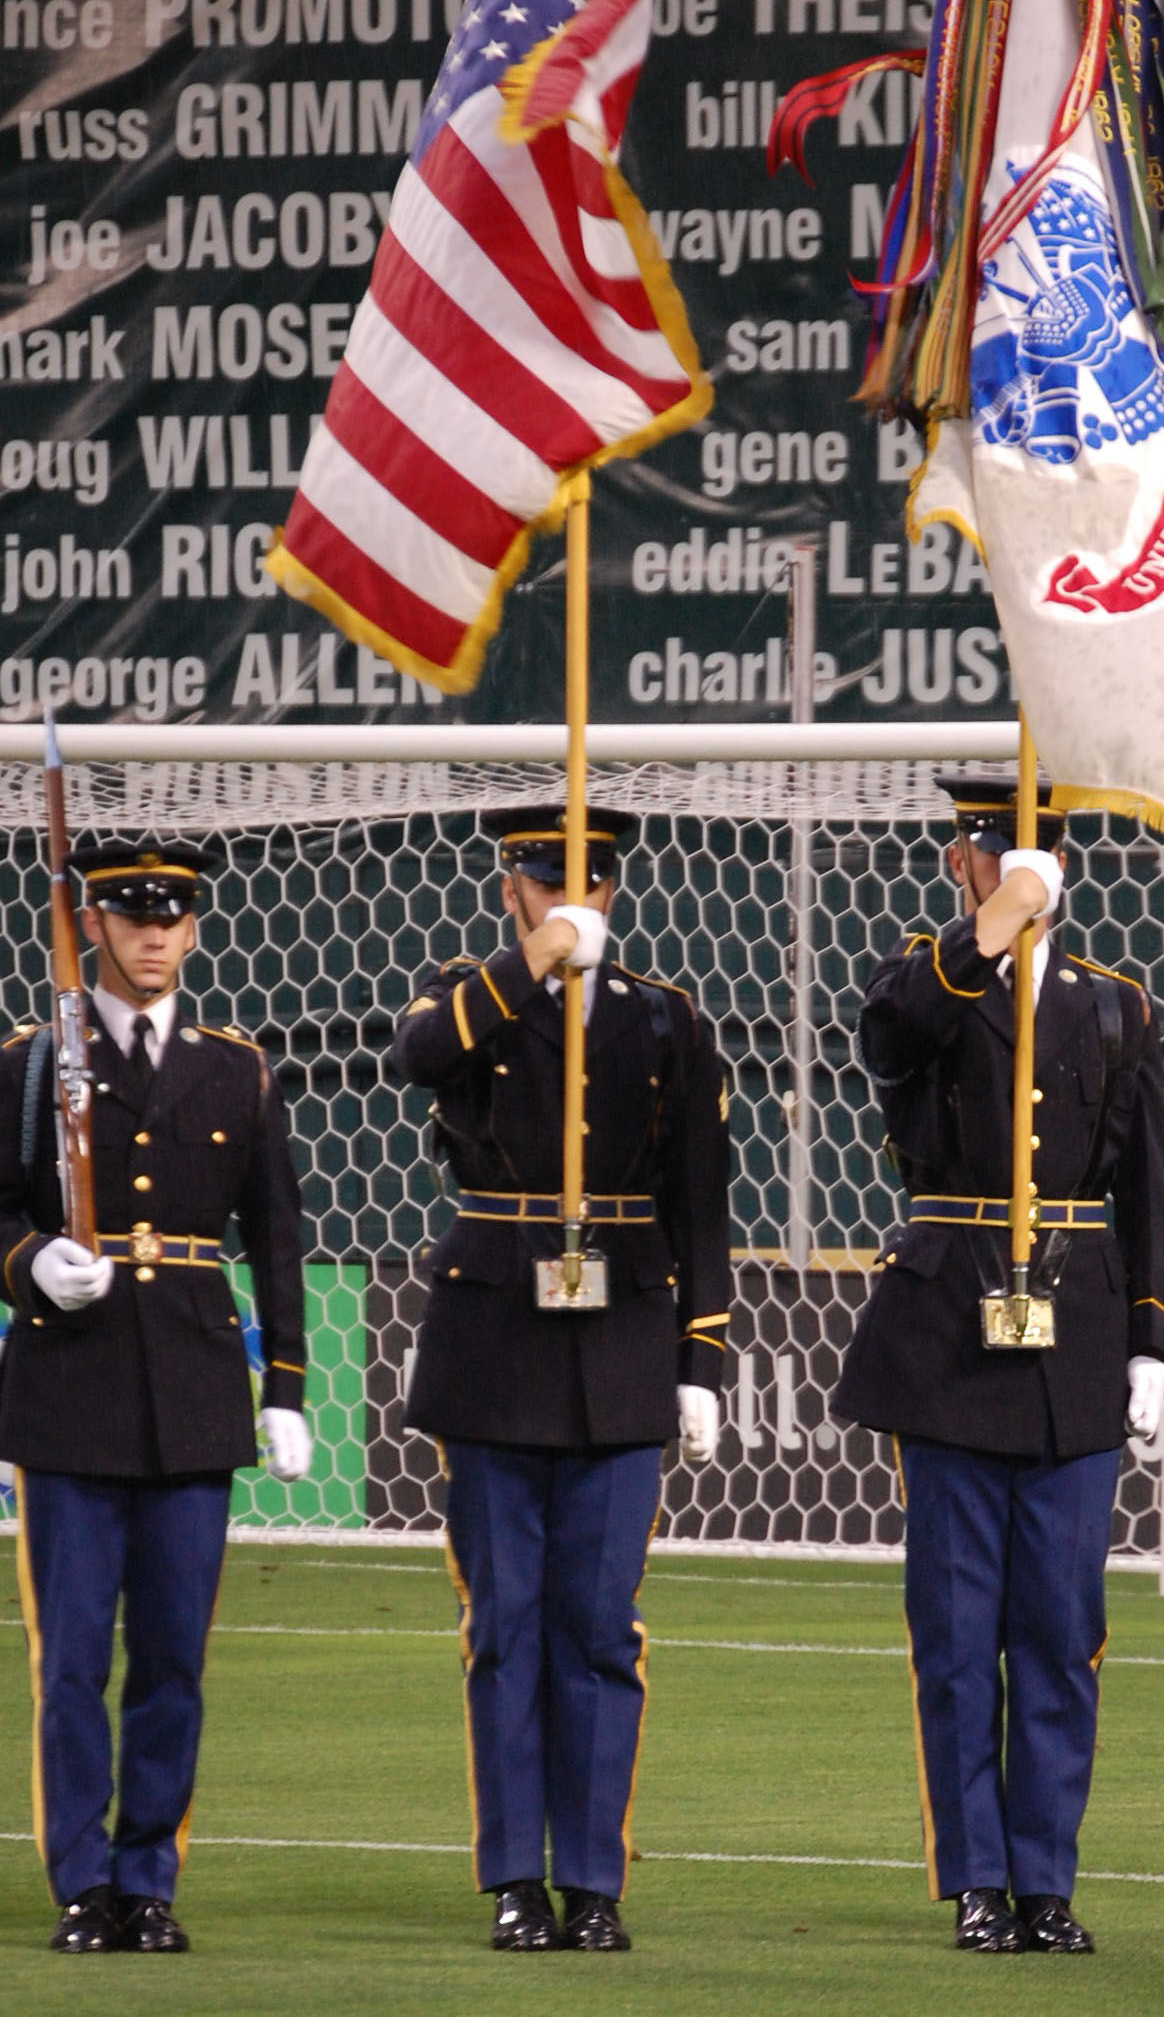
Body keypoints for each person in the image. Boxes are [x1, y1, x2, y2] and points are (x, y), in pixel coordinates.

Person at [834, 772, 1164, 1955]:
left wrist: (1150, 1341)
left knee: (1060, 1629)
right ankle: (977, 1875)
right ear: (960, 863)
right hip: (947, 1339)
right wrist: (990, 926)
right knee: (956, 1624)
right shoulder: (925, 982)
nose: (1016, 871)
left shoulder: (1117, 1007)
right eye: (992, 853)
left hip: (1074, 1336)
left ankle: (1046, 1879)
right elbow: (887, 1038)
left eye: (1032, 857)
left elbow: (1151, 1187)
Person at [0, 838, 310, 1954]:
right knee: (70, 1660)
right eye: (131, 916)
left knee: (169, 1659)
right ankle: (82, 1883)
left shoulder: (236, 1069)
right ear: (92, 926)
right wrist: (30, 1265)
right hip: (70, 1387)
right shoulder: (31, 1063)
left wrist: (288, 1385)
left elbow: (278, 1240)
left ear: (194, 929)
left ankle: (150, 1879)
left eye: (174, 917)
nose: (155, 935)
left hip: (196, 1390)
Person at [394, 800, 730, 1954]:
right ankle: (511, 1879)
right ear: (511, 889)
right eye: (545, 883)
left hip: (623, 1340)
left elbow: (701, 1202)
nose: (568, 899)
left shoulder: (664, 1022)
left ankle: (591, 1877)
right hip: (495, 1347)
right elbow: (415, 1059)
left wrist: (702, 1358)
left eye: (586, 882)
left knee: (598, 1624)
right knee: (505, 1625)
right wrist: (530, 965)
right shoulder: (467, 995)